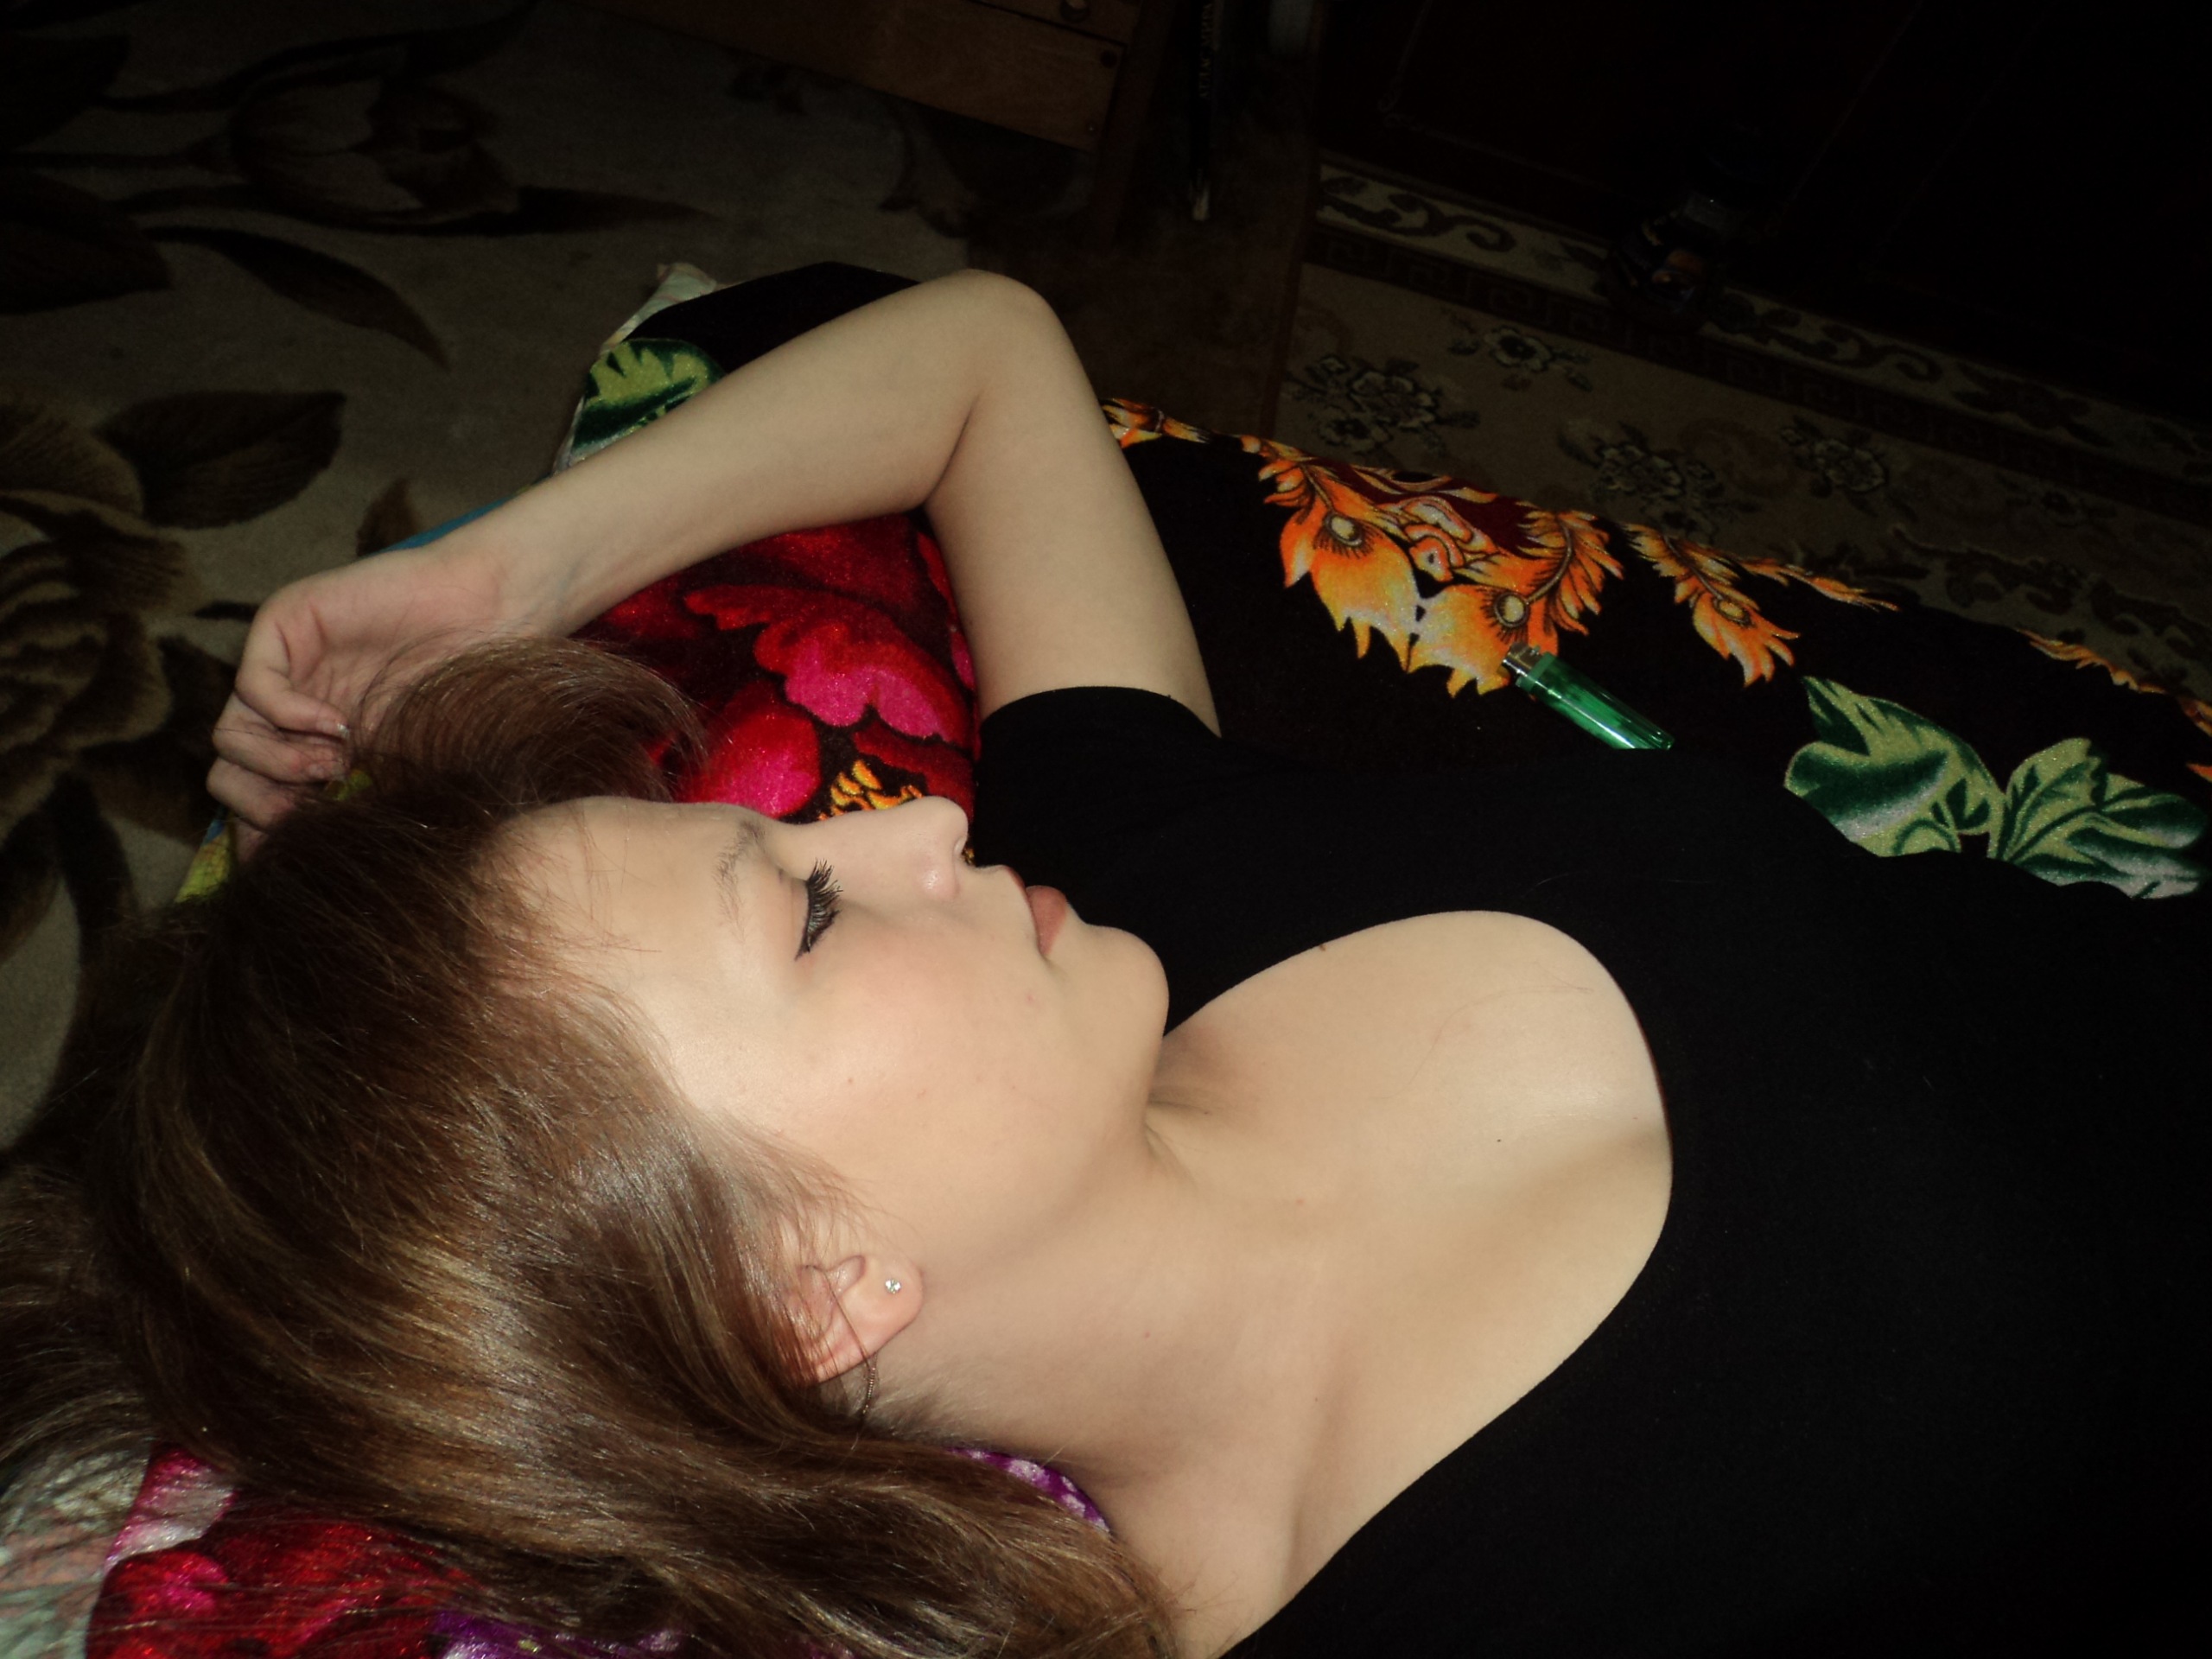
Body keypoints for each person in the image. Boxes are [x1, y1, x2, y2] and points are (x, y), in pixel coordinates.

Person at [3, 270, 2205, 1659]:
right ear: (808, 1298)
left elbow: (982, 359)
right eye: (804, 909)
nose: (920, 821)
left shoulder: (1155, 899)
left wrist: (504, 575)